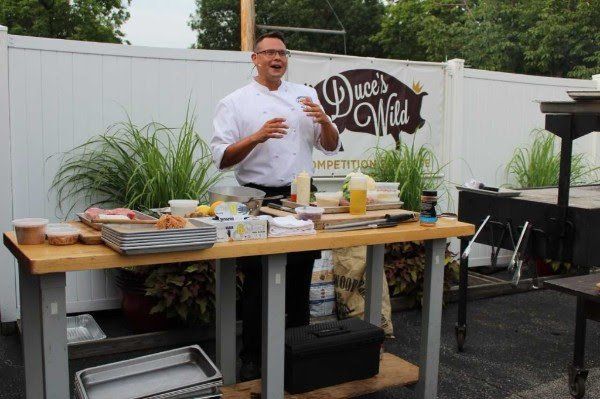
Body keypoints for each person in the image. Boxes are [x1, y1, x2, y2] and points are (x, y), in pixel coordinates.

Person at [210, 31, 340, 381]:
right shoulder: (235, 102)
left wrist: (326, 121)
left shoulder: (306, 95)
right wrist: (257, 136)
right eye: (268, 52)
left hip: (300, 198)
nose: (276, 58)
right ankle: (252, 357)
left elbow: (329, 146)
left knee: (299, 277)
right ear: (255, 59)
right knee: (257, 279)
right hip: (256, 199)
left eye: (281, 53)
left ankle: (298, 354)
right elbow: (221, 158)